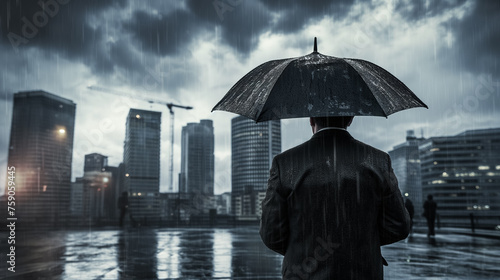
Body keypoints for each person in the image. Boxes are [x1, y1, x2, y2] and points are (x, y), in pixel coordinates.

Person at [260, 116, 410, 280]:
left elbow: (271, 233)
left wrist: (303, 251)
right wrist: (360, 243)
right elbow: (398, 226)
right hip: (362, 273)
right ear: (350, 119)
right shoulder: (379, 161)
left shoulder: (285, 163)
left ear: (311, 120)